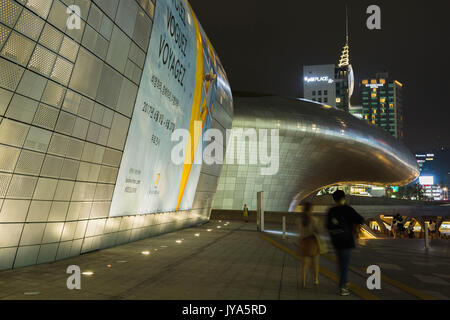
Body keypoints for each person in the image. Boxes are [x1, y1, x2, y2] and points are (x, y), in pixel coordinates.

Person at [326, 190, 365, 296]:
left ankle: (343, 282)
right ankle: (343, 287)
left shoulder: (331, 211)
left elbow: (327, 226)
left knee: (340, 264)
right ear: (344, 198)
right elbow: (361, 219)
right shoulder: (348, 209)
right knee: (345, 265)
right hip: (347, 241)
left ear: (334, 199)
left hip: (336, 242)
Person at [298, 202, 325, 288]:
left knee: (304, 264)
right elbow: (318, 231)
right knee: (315, 263)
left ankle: (303, 281)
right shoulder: (314, 220)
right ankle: (316, 279)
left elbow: (299, 233)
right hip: (313, 242)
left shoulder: (299, 220)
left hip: (304, 242)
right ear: (311, 209)